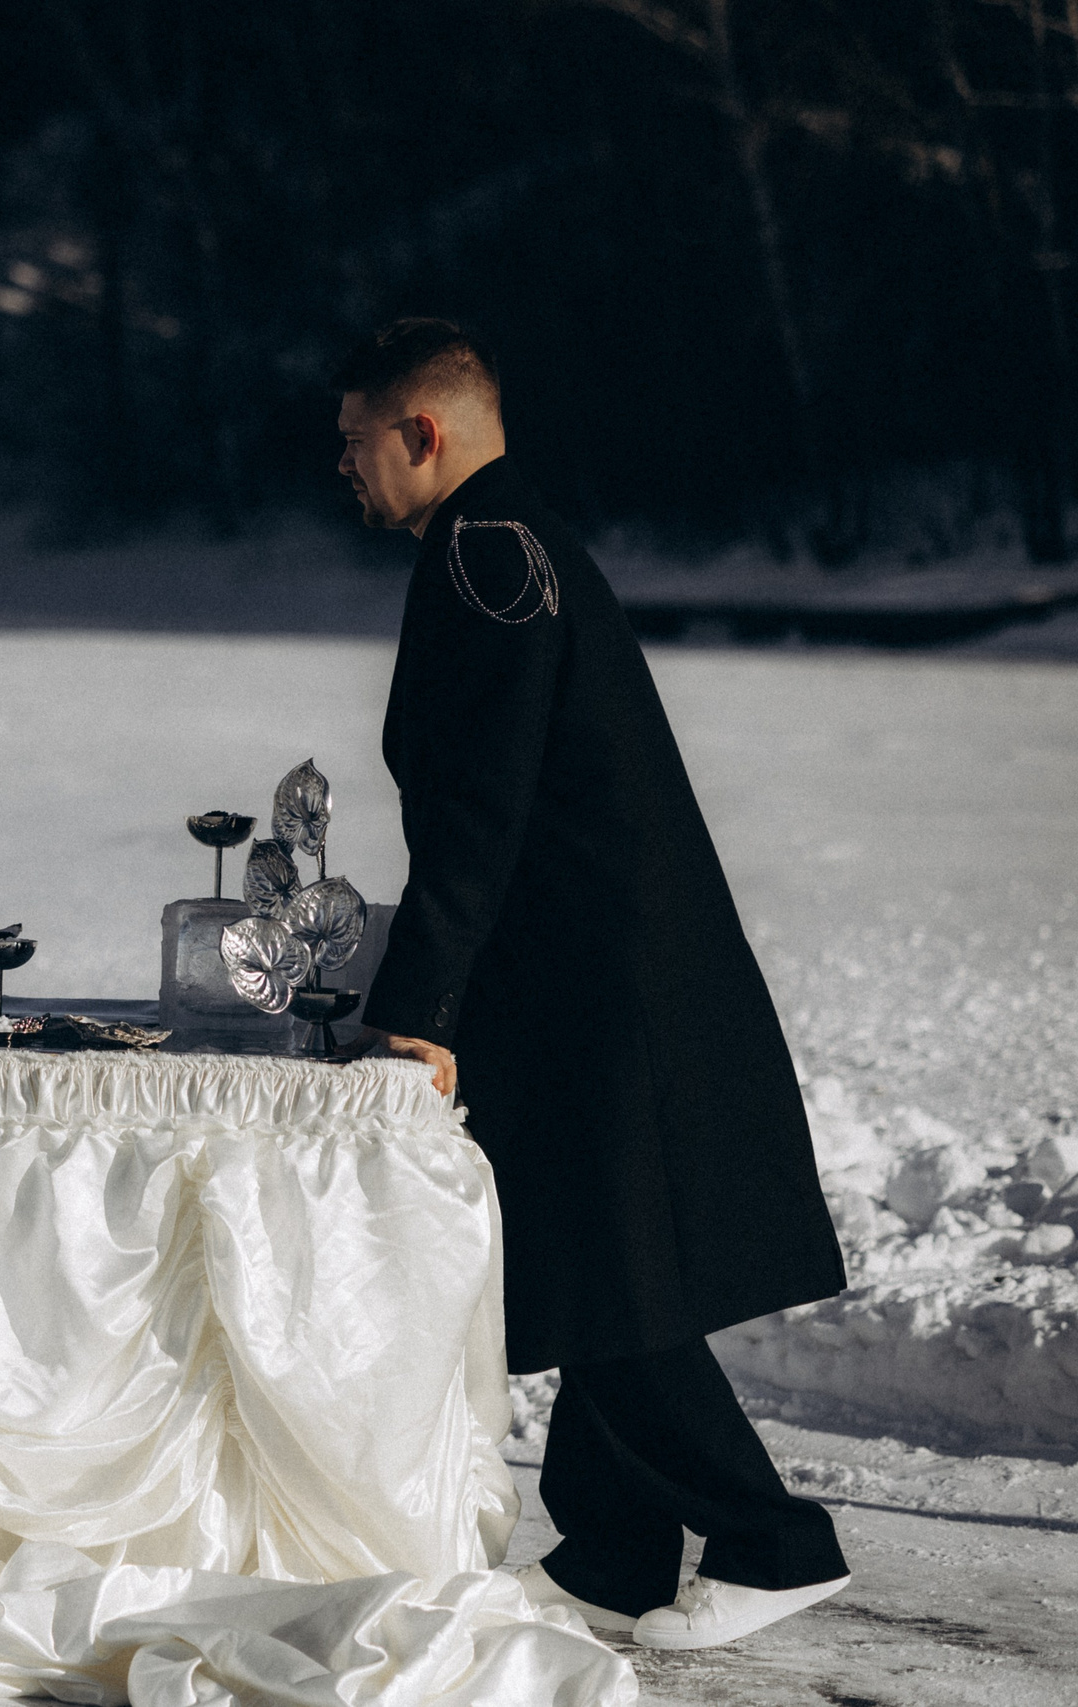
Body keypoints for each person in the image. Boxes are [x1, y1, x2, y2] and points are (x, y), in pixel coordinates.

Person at [333, 319, 852, 1651]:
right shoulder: (501, 538)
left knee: (614, 1270)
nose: (346, 473)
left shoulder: (488, 551)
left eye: (355, 446)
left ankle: (771, 1537)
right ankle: (617, 1547)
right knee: (584, 1254)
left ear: (420, 433)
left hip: (598, 977)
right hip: (583, 967)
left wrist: (415, 1010)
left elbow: (482, 810)